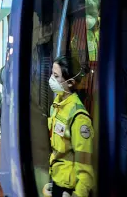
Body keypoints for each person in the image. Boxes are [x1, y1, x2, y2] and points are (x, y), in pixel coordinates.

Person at [43, 56, 94, 197]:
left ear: (70, 83)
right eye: (52, 74)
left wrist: (78, 195)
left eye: (56, 76)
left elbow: (85, 168)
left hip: (69, 187)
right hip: (57, 177)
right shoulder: (58, 104)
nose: (51, 79)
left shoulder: (79, 118)